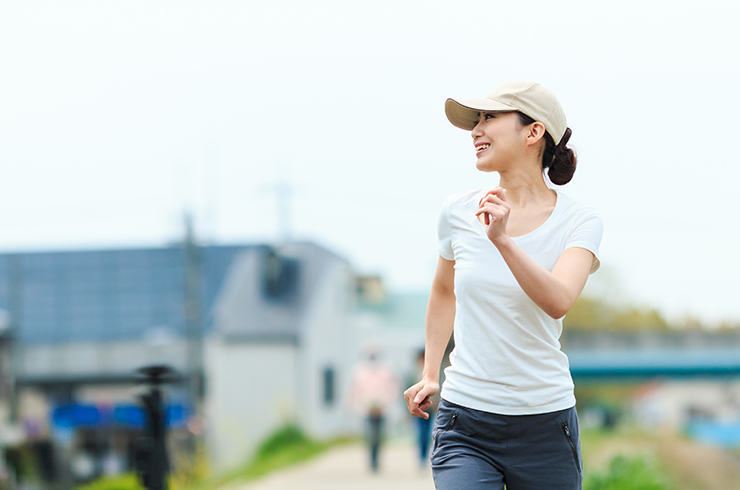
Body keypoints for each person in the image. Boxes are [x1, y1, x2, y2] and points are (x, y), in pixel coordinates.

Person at [403, 80, 603, 490]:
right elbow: (444, 290)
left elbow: (559, 300)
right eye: (475, 120)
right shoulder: (458, 211)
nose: (476, 130)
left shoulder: (580, 221)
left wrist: (503, 240)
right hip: (466, 423)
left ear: (534, 132)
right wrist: (430, 372)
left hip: (546, 425)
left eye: (489, 118)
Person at [347, 348, 401, 473]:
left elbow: (394, 388)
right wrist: (354, 404)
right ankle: (371, 460)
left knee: (379, 436)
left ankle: (377, 459)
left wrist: (388, 402)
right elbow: (354, 389)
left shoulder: (387, 370)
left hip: (383, 409)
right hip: (366, 409)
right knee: (370, 435)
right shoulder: (359, 371)